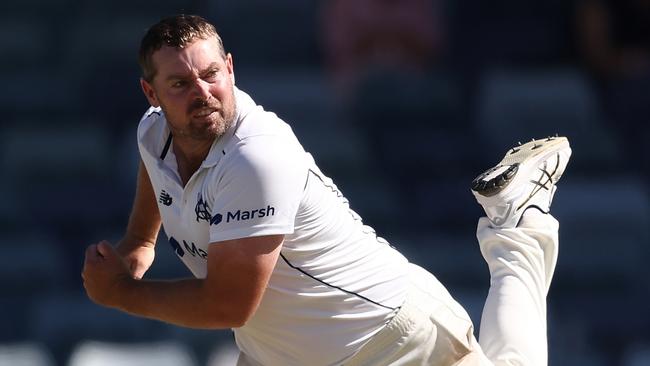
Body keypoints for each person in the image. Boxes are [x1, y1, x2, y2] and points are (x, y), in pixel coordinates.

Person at [81, 14, 572, 366]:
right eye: (180, 84)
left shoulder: (255, 156)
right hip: (280, 353)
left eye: (211, 75)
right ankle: (515, 220)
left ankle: (517, 225)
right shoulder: (154, 130)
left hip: (387, 342)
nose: (202, 93)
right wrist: (142, 240)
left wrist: (122, 293)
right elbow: (156, 164)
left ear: (229, 67)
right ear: (152, 95)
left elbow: (228, 305)